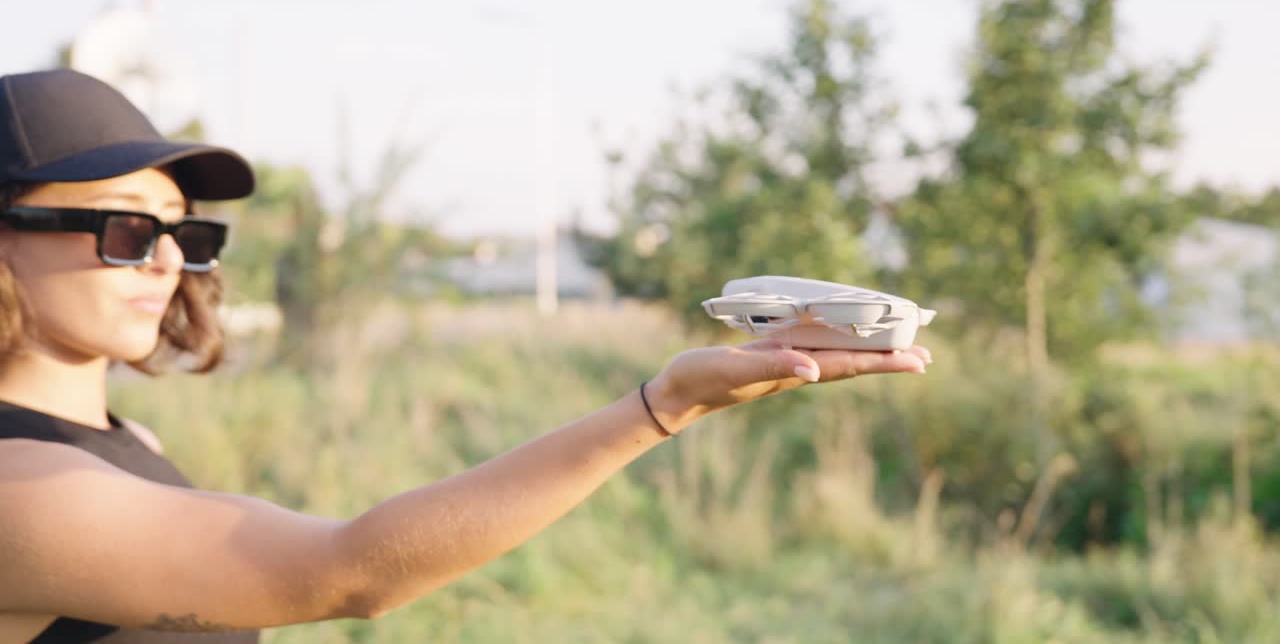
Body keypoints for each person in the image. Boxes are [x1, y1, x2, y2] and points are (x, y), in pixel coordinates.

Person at [0, 69, 932, 643]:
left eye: (185, 233)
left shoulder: (118, 437)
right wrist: (660, 407)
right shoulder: (18, 490)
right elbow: (348, 572)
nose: (167, 259)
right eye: (122, 228)